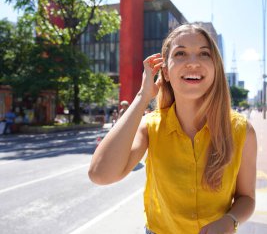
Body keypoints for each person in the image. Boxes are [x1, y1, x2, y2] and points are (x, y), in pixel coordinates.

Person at [88, 24, 257, 234]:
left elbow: (247, 198)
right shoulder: (150, 126)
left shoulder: (242, 130)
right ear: (165, 72)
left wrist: (230, 219)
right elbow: (100, 174)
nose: (193, 63)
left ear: (215, 68)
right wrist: (142, 97)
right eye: (181, 53)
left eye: (204, 54)